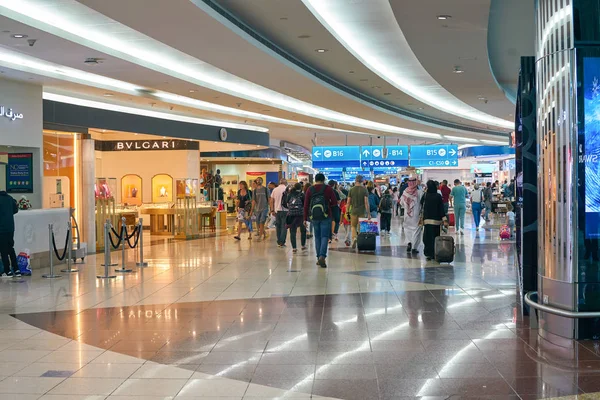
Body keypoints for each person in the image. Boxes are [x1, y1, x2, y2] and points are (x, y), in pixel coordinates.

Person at [304, 173, 337, 268]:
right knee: (325, 236)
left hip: (314, 216)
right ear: (323, 180)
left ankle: (319, 257)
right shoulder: (328, 189)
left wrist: (305, 218)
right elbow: (334, 203)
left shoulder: (310, 189)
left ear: (315, 179)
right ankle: (322, 256)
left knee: (317, 237)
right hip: (326, 215)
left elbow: (306, 204)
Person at [422, 180, 449, 261]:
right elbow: (441, 209)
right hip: (436, 221)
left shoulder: (425, 195)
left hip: (427, 220)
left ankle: (428, 253)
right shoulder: (437, 196)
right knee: (435, 237)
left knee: (427, 237)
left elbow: (421, 205)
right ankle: (435, 252)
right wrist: (444, 219)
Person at [400, 176, 423, 253]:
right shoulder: (419, 192)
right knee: (417, 230)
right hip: (416, 214)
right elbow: (422, 203)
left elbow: (401, 203)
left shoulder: (405, 192)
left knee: (407, 229)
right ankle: (414, 247)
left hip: (407, 214)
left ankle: (409, 242)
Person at [347, 175, 370, 249]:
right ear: (362, 181)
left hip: (353, 211)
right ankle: (360, 242)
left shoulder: (351, 189)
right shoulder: (364, 189)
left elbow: (348, 202)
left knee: (353, 226)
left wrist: (347, 211)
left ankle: (354, 238)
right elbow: (366, 202)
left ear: (355, 180)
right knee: (361, 228)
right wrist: (368, 213)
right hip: (362, 211)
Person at [0, 190, 19, 278]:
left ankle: (7, 271)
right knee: (10, 248)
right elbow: (15, 210)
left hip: (1, 229)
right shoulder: (10, 198)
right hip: (10, 228)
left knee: (3, 250)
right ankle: (16, 269)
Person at [286, 183, 306, 253]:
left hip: (292, 215)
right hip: (300, 215)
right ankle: (303, 245)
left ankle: (294, 247)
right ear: (301, 188)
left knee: (292, 231)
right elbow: (305, 204)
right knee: (303, 230)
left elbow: (286, 203)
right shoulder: (302, 195)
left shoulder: (290, 194)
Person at [270, 178, 288, 248]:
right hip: (286, 210)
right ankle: (282, 242)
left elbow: (271, 200)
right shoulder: (287, 189)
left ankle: (279, 241)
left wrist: (272, 210)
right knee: (284, 226)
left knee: (278, 226)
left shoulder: (275, 189)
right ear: (285, 183)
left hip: (277, 211)